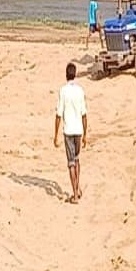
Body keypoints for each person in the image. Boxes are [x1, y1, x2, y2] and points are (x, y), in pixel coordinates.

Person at [54, 62, 89, 204]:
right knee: (77, 159)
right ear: (75, 74)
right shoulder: (80, 91)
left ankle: (75, 194)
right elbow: (84, 115)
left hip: (68, 131)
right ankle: (78, 187)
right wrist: (85, 134)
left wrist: (55, 134)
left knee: (71, 163)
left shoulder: (63, 91)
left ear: (66, 75)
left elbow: (58, 115)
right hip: (79, 130)